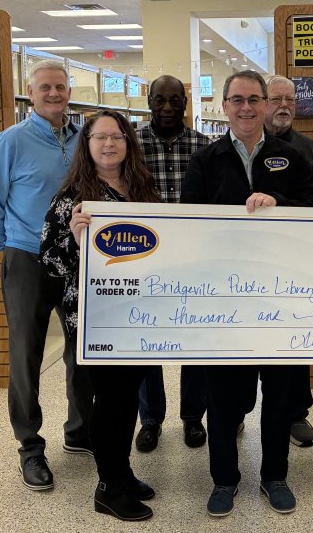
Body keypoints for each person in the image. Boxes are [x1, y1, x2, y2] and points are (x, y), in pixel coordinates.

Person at [181, 70, 313, 518]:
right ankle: (224, 480)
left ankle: (275, 476)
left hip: (283, 297)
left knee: (280, 395)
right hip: (224, 302)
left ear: (266, 105)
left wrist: (281, 205)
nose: (245, 107)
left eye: (253, 99)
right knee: (223, 398)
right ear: (223, 106)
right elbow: (189, 224)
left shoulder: (293, 156)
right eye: (236, 99)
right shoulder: (205, 161)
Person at [0, 59, 94, 492]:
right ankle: (30, 445)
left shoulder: (84, 138)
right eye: (45, 87)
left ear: (68, 91)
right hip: (27, 259)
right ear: (31, 92)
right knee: (26, 352)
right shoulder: (11, 141)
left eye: (60, 86)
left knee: (82, 347)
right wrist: (8, 246)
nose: (54, 94)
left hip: (78, 259)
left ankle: (80, 431)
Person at [40, 110, 162, 521]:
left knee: (128, 397)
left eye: (117, 136)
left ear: (128, 142)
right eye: (99, 137)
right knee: (110, 400)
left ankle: (122, 471)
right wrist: (77, 243)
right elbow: (50, 261)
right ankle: (108, 488)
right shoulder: (74, 197)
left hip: (140, 312)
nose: (109, 144)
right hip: (98, 318)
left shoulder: (143, 187)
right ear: (86, 144)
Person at [134, 75, 212, 453]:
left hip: (193, 259)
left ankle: (193, 416)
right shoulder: (130, 143)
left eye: (175, 100)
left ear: (186, 102)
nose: (167, 107)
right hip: (144, 258)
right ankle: (150, 419)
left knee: (193, 338)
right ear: (148, 101)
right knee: (147, 339)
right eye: (159, 100)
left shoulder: (204, 145)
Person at [263, 74, 313, 448]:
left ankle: (296, 413)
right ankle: (240, 411)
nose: (284, 105)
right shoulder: (249, 148)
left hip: (295, 261)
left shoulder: (309, 149)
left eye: (289, 99)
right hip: (250, 262)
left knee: (294, 340)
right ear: (262, 103)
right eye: (276, 99)